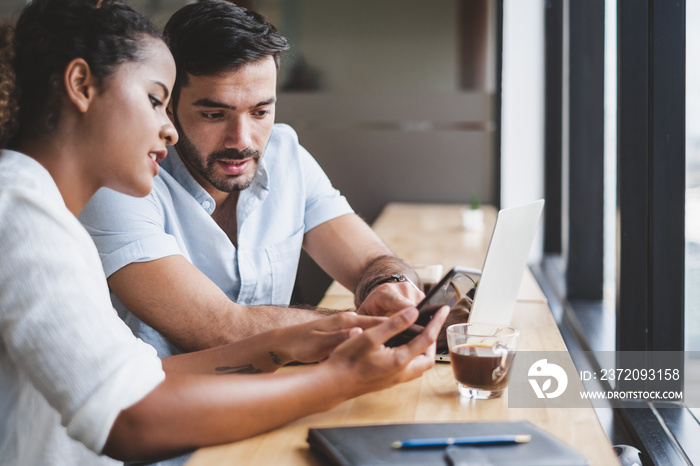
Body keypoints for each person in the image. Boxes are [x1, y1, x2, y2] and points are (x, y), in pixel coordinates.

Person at [0, 1, 449, 465]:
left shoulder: (41, 209)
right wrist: (342, 378)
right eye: (156, 100)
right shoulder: (21, 213)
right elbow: (129, 420)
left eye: (260, 111)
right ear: (81, 87)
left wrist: (286, 342)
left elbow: (144, 375)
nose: (166, 129)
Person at [78, 0, 433, 359]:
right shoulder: (118, 184)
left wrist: (392, 288)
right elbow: (220, 328)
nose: (242, 140)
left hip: (277, 394)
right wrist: (377, 325)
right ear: (169, 106)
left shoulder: (285, 155)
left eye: (261, 111)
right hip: (168, 409)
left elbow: (371, 260)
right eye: (215, 114)